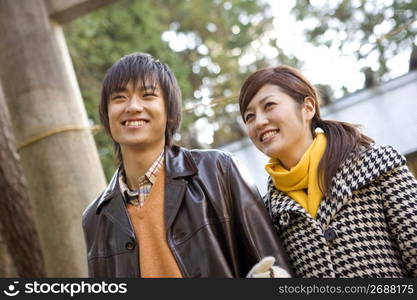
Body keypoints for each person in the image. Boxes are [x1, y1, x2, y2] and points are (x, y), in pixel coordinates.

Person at [82, 53, 293, 278]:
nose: (133, 106)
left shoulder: (218, 171)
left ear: (170, 112)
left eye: (148, 95)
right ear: (106, 114)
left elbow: (272, 267)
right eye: (119, 98)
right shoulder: (94, 219)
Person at [238, 65, 417, 277]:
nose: (259, 122)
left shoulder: (377, 164)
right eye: (249, 116)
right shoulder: (265, 213)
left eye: (269, 106)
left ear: (308, 108)